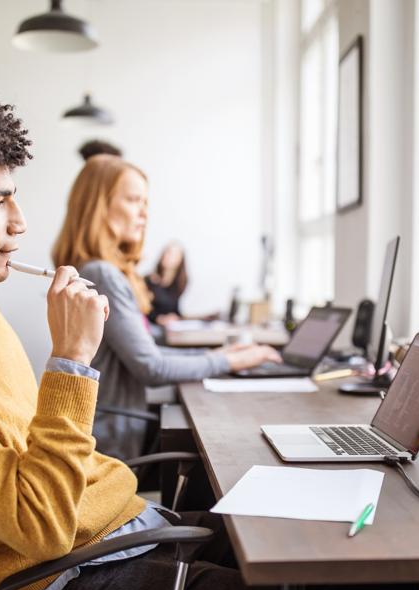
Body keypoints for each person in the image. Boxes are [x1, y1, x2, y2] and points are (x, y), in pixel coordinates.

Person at [0, 86, 370, 590]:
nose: (20, 221)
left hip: (123, 527)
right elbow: (41, 530)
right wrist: (72, 361)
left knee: (352, 564)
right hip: (72, 577)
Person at [52, 155, 282, 459]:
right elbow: (151, 367)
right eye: (134, 200)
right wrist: (227, 362)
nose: (144, 214)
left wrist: (217, 355)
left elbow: (145, 351)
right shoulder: (102, 273)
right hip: (110, 440)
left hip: (112, 429)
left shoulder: (95, 269)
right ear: (99, 207)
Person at [145, 241, 187, 326]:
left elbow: (175, 308)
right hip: (152, 324)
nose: (167, 256)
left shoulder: (180, 283)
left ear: (180, 260)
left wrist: (175, 317)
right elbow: (144, 308)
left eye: (173, 254)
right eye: (166, 252)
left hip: (170, 325)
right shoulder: (149, 280)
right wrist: (158, 319)